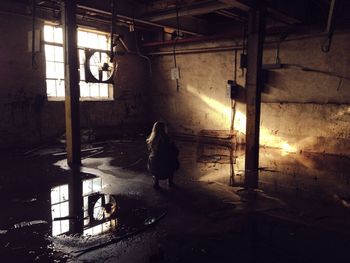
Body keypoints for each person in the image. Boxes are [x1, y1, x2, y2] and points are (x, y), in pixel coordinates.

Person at [146, 121, 179, 188]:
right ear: (164, 129)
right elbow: (174, 150)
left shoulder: (152, 139)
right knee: (171, 160)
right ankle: (170, 182)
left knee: (154, 158)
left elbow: (151, 150)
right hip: (166, 164)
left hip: (154, 164)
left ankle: (156, 182)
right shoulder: (167, 138)